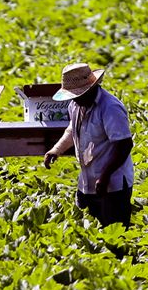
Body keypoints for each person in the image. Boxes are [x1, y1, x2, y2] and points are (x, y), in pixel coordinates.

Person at [43, 63, 134, 227]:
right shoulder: (76, 105)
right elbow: (72, 130)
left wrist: (105, 176)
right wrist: (56, 150)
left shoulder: (110, 107)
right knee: (89, 231)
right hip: (87, 181)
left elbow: (124, 145)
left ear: (92, 87)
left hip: (112, 185)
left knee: (115, 236)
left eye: (79, 94)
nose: (75, 99)